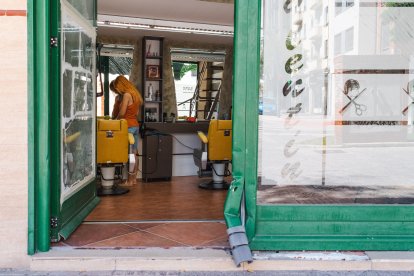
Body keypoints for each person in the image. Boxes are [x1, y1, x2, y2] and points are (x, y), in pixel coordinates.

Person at [113, 75, 143, 185]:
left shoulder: (126, 95)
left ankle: (129, 181)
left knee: (130, 154)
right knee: (135, 153)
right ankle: (133, 179)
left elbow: (121, 113)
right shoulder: (135, 94)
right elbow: (136, 113)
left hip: (128, 127)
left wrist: (115, 120)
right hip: (135, 125)